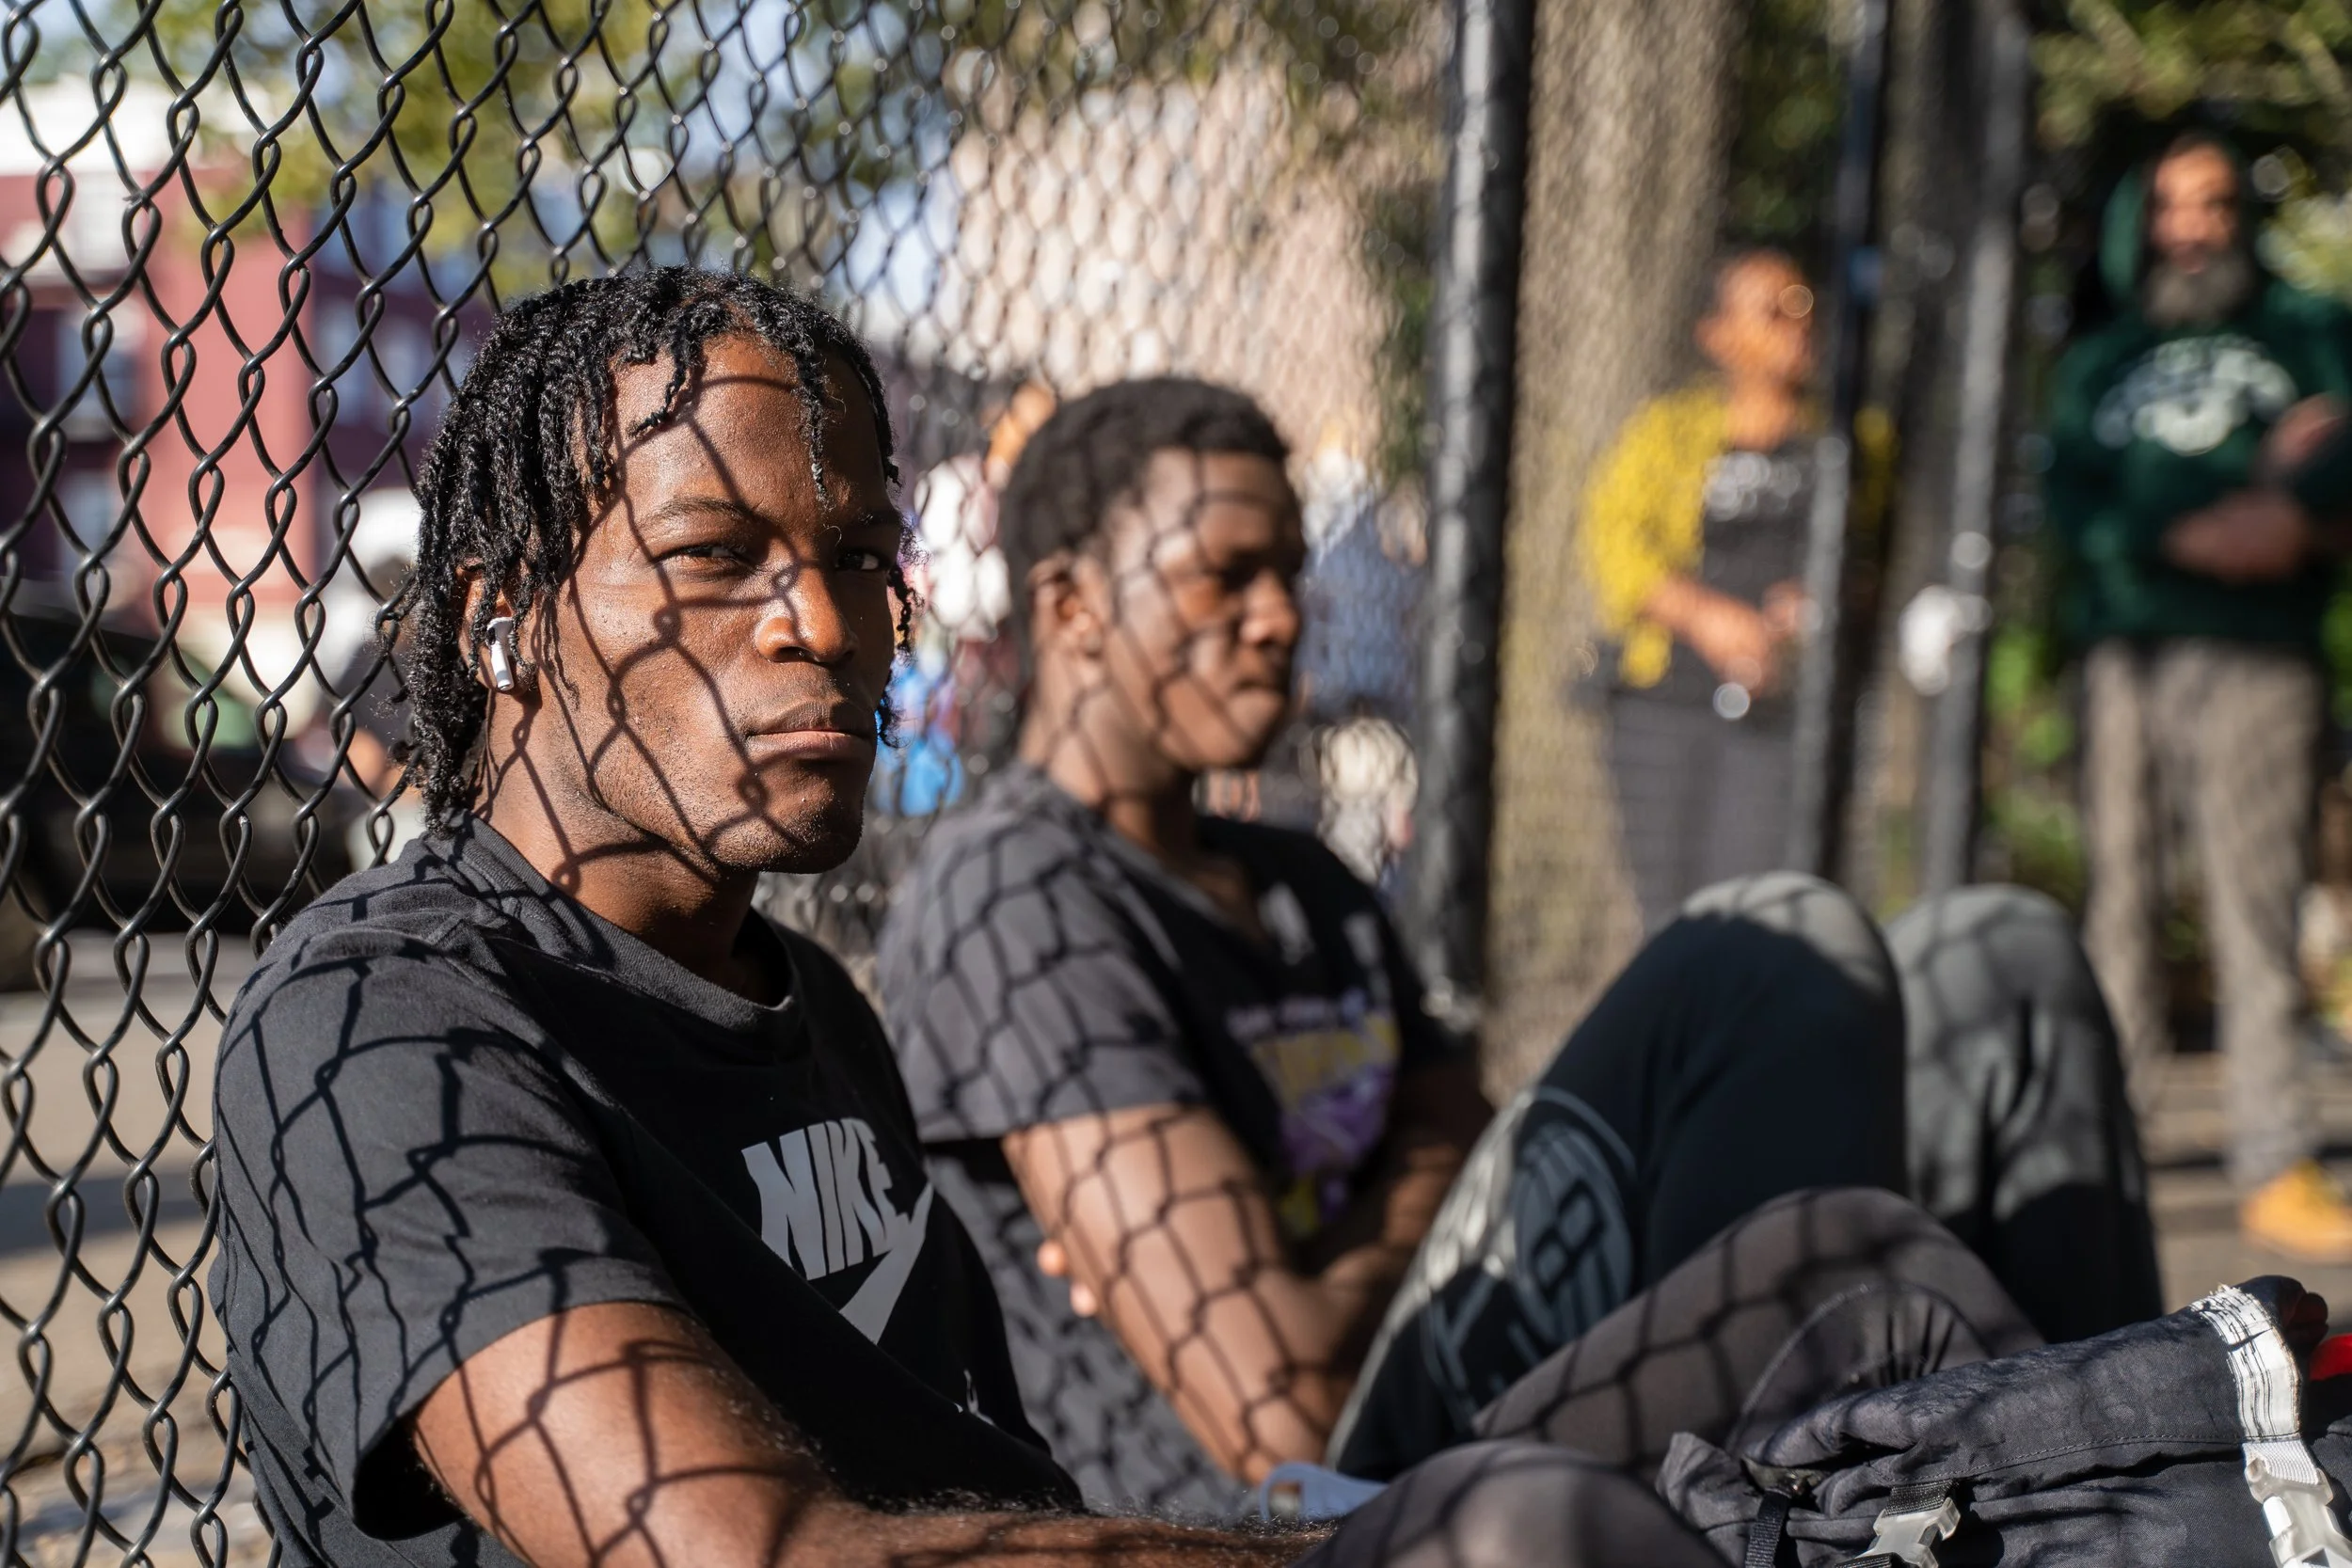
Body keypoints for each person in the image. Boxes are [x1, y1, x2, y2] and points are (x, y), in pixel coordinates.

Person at [205, 269, 2089, 1568]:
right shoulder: (390, 1024)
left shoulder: (808, 1005)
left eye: (855, 558)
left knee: (1870, 1276)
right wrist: (1345, 1545)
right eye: (717, 559)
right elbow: (744, 1549)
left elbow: (994, 1467)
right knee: (1527, 1523)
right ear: (502, 619)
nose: (823, 624)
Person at [876, 377, 2160, 1515]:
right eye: (1226, 574)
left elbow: (1462, 1134)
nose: (1278, 617)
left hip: (1453, 1367)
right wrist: (1426, 1167)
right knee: (1769, 945)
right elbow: (1285, 1415)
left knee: (2002, 958)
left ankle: (2115, 1495)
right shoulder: (1022, 891)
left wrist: (1367, 1210)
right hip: (1308, 1512)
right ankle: (1804, 1526)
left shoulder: (1304, 879)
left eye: (1289, 573)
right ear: (1073, 604)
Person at [2047, 129, 2352, 1261]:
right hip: (2123, 653)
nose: (2196, 226)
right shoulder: (2100, 356)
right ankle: (2107, 1151)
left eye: (2216, 203)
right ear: (2143, 220)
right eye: (2174, 205)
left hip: (2260, 653)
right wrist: (2195, 527)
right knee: (2117, 900)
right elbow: (2071, 492)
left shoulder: (2304, 327)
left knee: (2255, 901)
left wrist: (2295, 507)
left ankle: (2272, 1157)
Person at [1579, 250, 1864, 928]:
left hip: (1782, 707)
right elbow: (1614, 540)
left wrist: (1817, 604)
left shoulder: (1847, 441)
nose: (1797, 324)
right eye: (1772, 312)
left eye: (1803, 306)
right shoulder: (1668, 431)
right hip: (1667, 698)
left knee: (1750, 901)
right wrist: (1706, 618)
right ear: (1718, 335)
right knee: (1668, 911)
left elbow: (1875, 557)